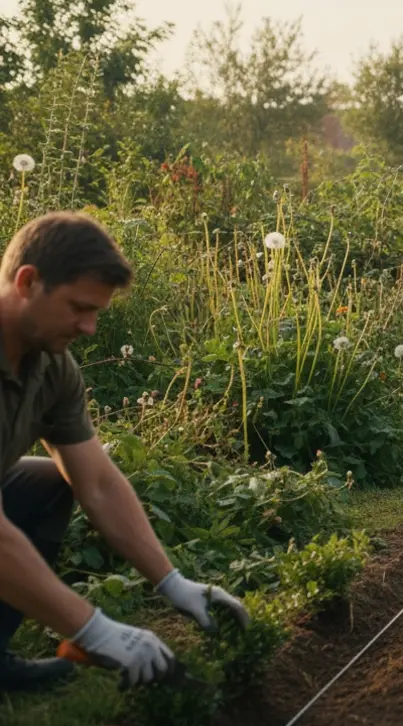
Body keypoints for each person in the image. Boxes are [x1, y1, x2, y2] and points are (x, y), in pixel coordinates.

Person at [0, 211, 249, 693]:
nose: (90, 328)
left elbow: (97, 483)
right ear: (27, 282)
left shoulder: (51, 366)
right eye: (79, 307)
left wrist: (171, 581)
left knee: (47, 484)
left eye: (96, 311)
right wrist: (93, 629)